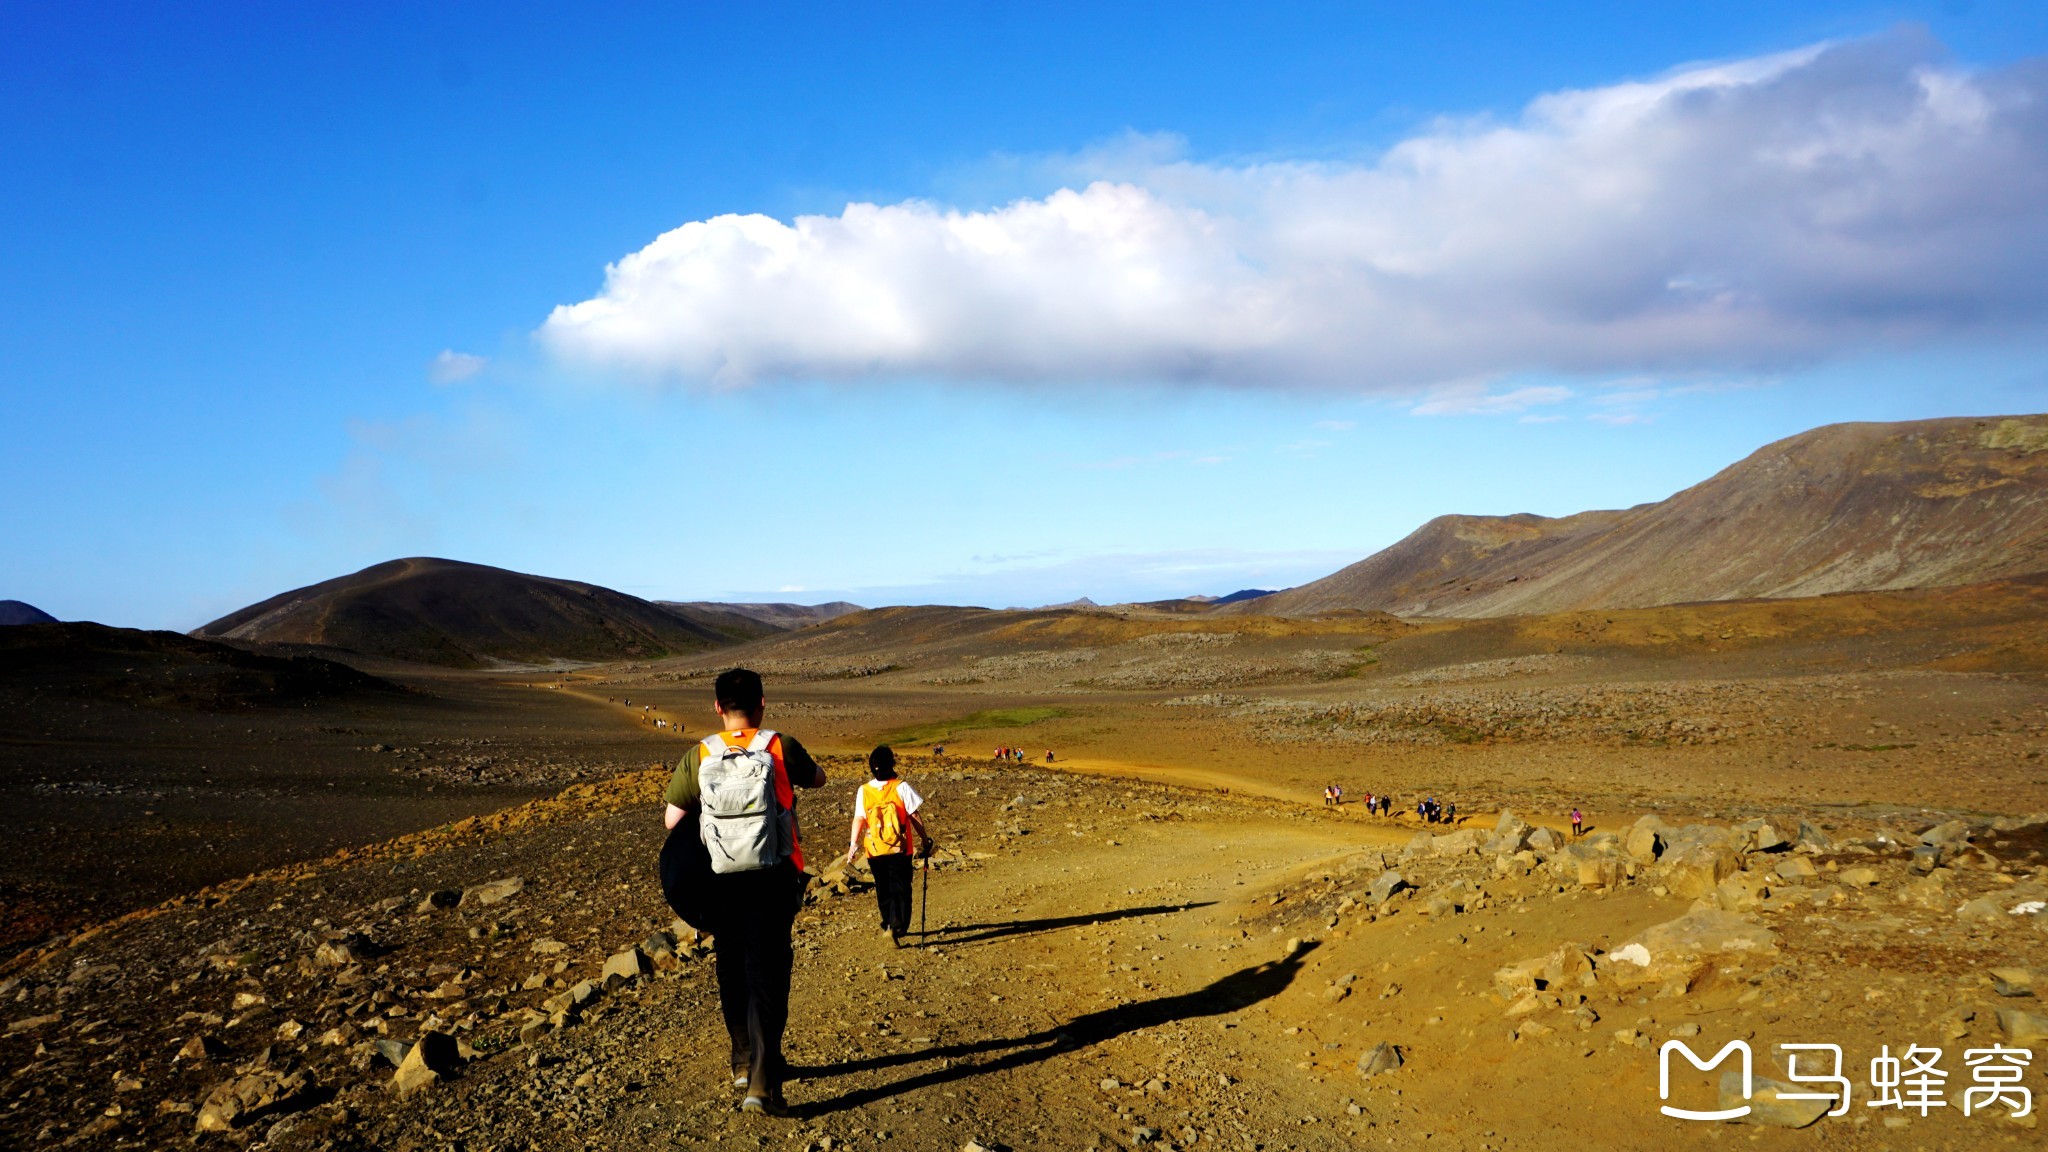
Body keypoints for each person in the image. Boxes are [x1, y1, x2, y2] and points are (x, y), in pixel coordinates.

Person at [660, 668, 826, 1116]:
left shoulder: (701, 754)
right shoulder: (780, 746)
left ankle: (741, 1059)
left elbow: (673, 821)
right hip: (773, 876)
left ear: (717, 707)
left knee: (732, 964)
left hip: (720, 879)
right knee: (769, 970)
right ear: (762, 703)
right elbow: (818, 779)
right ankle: (762, 1081)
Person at [841, 745, 932, 946]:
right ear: (891, 763)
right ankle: (897, 926)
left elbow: (859, 818)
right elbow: (914, 816)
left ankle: (888, 924)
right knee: (901, 887)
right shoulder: (901, 787)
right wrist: (925, 840)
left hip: (874, 849)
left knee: (883, 887)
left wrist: (853, 845)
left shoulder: (863, 790)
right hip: (900, 848)